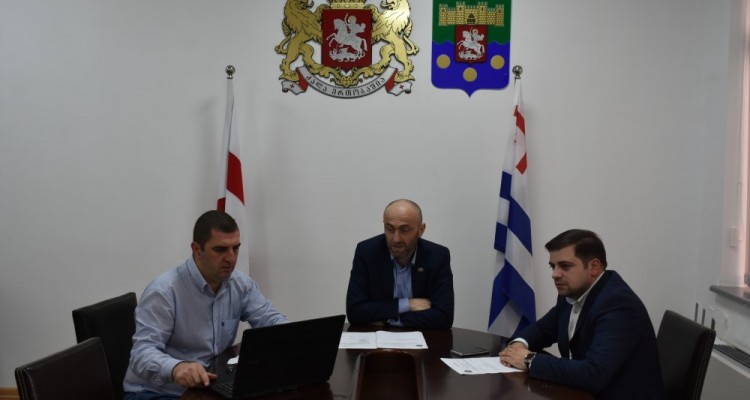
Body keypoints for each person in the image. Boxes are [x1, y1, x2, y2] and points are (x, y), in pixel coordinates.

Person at [123, 210, 288, 399]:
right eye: (220, 250)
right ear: (197, 249)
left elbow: (271, 320)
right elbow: (142, 354)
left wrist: (294, 340)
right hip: (157, 393)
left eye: (235, 248)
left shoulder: (240, 284)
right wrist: (176, 368)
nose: (231, 258)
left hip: (208, 387)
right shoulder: (164, 291)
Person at [499, 229, 664, 399]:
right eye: (553, 266)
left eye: (565, 266)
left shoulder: (618, 305)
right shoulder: (572, 293)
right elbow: (543, 330)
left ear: (594, 267)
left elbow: (593, 374)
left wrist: (529, 360)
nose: (555, 274)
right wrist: (518, 345)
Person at [346, 199, 454, 330]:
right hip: (379, 339)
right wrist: (408, 304)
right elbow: (355, 312)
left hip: (424, 339)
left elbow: (444, 317)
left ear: (421, 230)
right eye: (389, 229)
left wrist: (387, 319)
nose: (396, 239)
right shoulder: (367, 252)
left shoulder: (437, 256)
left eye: (405, 230)